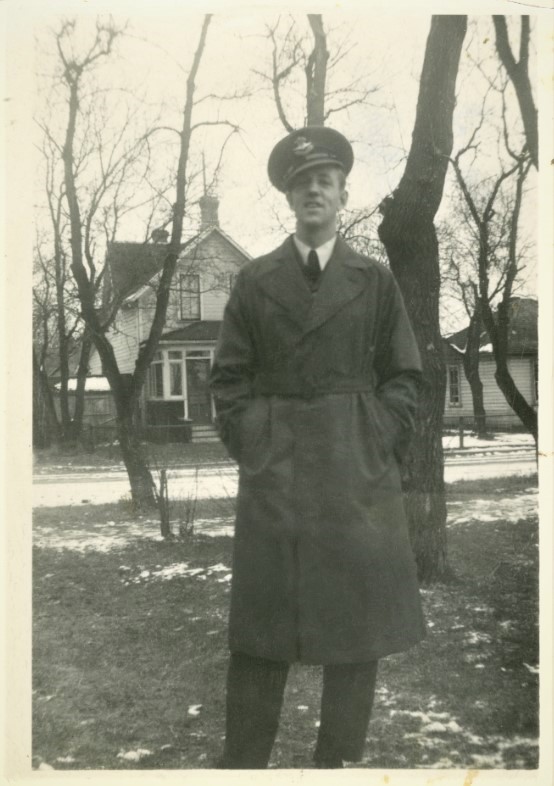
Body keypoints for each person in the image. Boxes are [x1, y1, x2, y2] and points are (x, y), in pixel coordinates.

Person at [209, 126, 425, 769]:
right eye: (302, 182)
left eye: (324, 181)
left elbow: (405, 376)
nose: (313, 190)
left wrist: (373, 438)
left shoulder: (376, 281)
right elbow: (229, 378)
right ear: (288, 196)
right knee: (261, 636)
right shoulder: (253, 280)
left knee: (353, 639)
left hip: (354, 479)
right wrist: (256, 443)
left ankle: (337, 769)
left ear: (342, 194)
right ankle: (243, 767)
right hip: (276, 478)